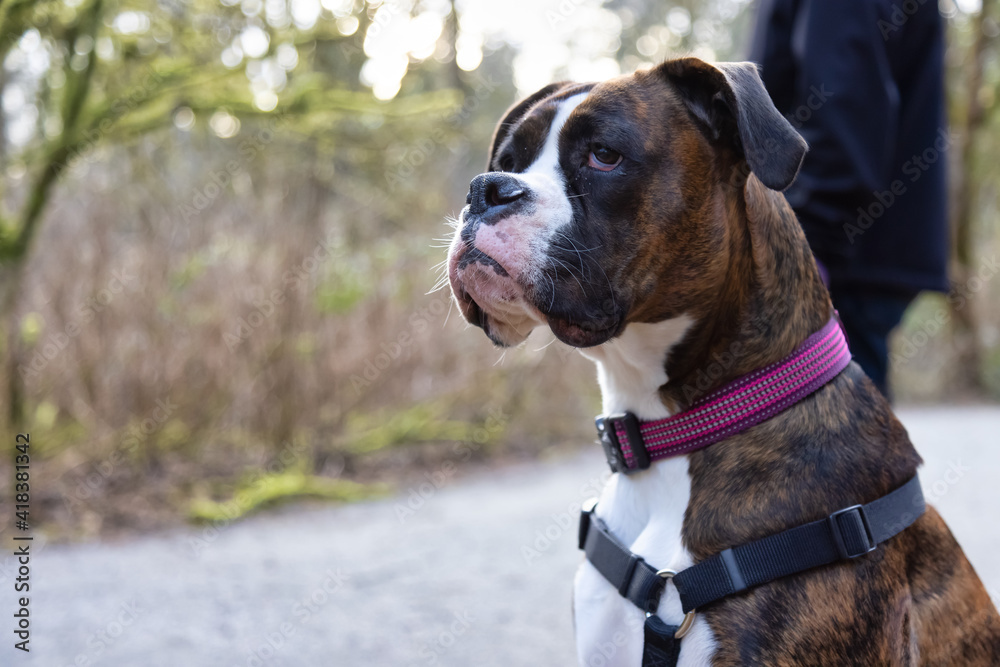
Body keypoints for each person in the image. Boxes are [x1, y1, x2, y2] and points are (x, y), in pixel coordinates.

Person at [749, 0, 949, 398]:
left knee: (833, 443)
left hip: (839, 253)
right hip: (863, 247)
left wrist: (804, 248)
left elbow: (845, 100)